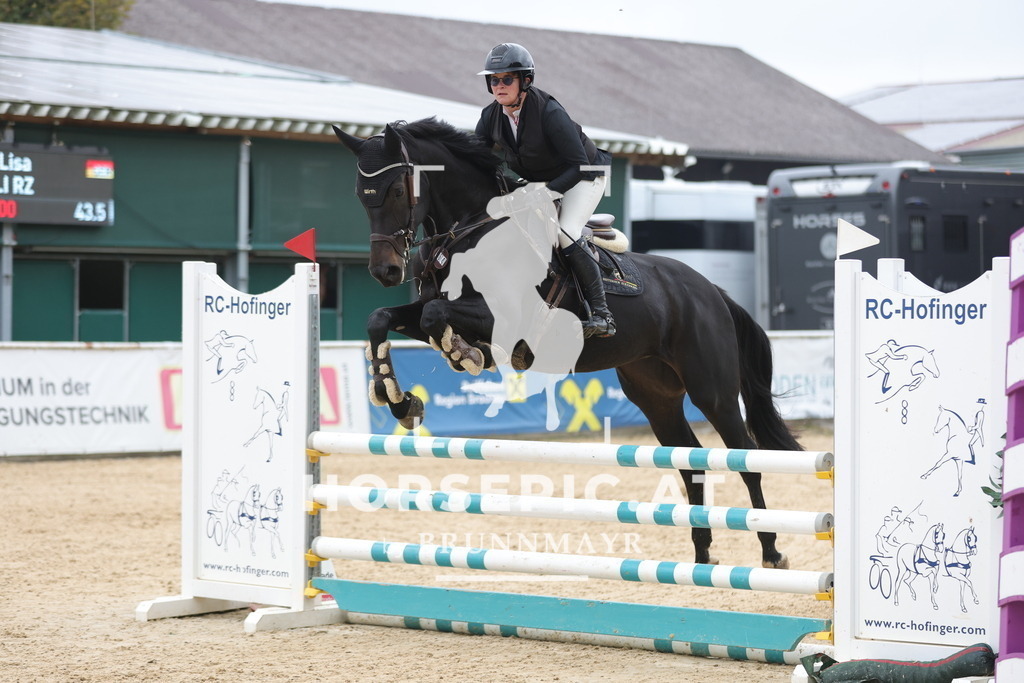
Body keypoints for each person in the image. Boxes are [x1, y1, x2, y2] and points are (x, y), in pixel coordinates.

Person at [474, 43, 616, 338]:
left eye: (507, 79)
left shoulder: (549, 112)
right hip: (542, 181)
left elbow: (578, 166)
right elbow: (476, 160)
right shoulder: (490, 116)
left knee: (566, 233)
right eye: (494, 80)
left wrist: (545, 193)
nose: (499, 86)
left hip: (584, 175)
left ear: (525, 80)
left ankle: (603, 314)